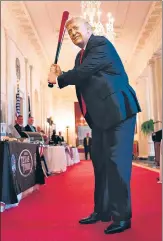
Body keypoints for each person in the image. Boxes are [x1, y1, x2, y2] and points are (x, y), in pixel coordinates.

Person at [48, 17, 141, 234]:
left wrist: (59, 77)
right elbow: (81, 80)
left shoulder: (100, 43)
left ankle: (122, 217)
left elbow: (84, 73)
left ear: (89, 29)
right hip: (100, 119)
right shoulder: (79, 57)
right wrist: (60, 75)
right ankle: (102, 211)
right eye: (69, 30)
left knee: (117, 165)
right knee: (100, 165)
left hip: (119, 112)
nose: (71, 32)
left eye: (75, 28)